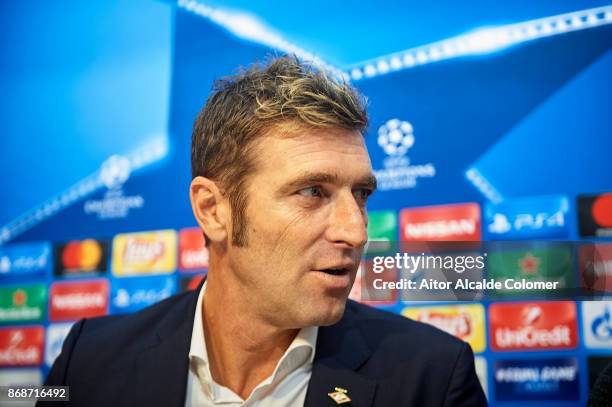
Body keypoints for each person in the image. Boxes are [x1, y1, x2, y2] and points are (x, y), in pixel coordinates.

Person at [41, 55, 487, 406]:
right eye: (313, 191)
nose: (356, 231)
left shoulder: (433, 377)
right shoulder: (88, 360)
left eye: (362, 194)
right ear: (213, 210)